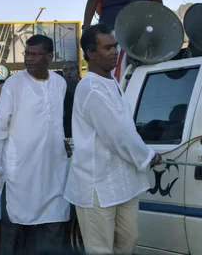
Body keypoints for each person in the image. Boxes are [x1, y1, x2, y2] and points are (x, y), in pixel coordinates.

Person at [64, 24, 162, 254]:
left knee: (128, 242)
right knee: (100, 250)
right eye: (107, 48)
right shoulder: (89, 88)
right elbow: (117, 135)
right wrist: (148, 156)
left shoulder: (111, 82)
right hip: (97, 185)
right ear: (91, 53)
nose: (115, 52)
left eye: (115, 46)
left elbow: (125, 128)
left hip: (124, 182)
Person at [0, 35, 71, 254]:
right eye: (27, 54)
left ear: (50, 57)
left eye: (35, 54)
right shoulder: (14, 83)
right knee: (15, 226)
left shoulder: (60, 83)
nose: (29, 59)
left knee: (54, 221)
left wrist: (62, 142)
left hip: (52, 169)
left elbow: (55, 121)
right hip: (20, 170)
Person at [62, 61, 80, 140]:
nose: (68, 72)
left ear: (78, 72)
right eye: (65, 70)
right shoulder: (59, 89)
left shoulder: (84, 86)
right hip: (65, 131)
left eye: (72, 69)